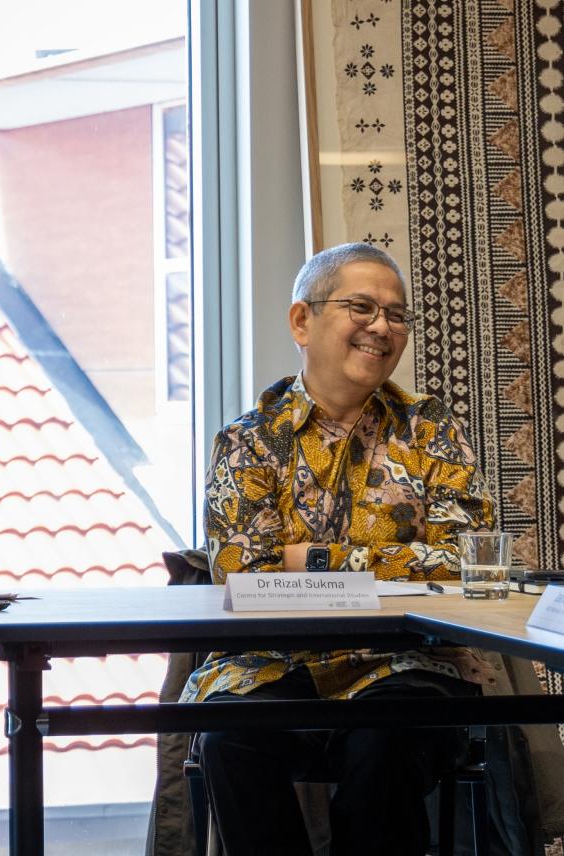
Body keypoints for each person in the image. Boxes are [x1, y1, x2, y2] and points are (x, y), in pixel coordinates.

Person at [182, 243, 492, 855]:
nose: (383, 327)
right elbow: (245, 572)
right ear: (303, 321)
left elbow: (466, 561)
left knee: (386, 735)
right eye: (362, 307)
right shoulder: (247, 442)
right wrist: (394, 561)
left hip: (405, 662)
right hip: (272, 662)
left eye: (397, 315)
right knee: (229, 736)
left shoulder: (432, 432)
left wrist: (312, 558)